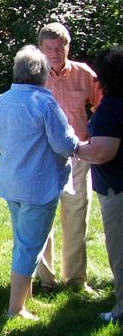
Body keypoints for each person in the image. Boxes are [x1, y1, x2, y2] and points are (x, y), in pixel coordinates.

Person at [0, 46, 79, 320]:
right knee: (29, 246)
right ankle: (15, 309)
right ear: (43, 74)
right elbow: (64, 144)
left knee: (22, 241)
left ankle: (23, 296)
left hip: (11, 182)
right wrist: (78, 142)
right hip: (37, 185)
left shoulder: (1, 101)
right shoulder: (44, 103)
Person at [36, 23, 103, 293]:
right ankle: (45, 280)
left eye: (60, 47)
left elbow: (103, 105)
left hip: (78, 155)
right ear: (40, 48)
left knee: (77, 216)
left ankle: (76, 279)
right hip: (43, 157)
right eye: (49, 48)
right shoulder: (33, 74)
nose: (55, 53)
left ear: (68, 46)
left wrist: (95, 137)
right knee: (42, 218)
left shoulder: (84, 73)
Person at [76, 46, 123, 326]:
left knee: (120, 251)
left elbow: (103, 151)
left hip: (118, 189)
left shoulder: (111, 107)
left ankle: (121, 309)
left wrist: (76, 148)